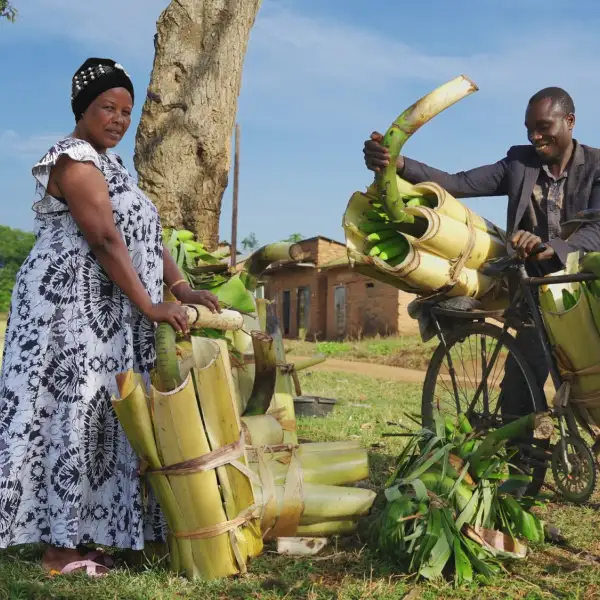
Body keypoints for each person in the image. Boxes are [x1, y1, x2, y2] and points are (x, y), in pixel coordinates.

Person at [0, 58, 220, 576]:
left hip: (107, 319)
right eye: (108, 108)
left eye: (127, 110)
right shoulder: (73, 159)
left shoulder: (114, 165)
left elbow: (146, 232)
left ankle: (87, 537)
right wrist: (150, 305)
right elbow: (103, 237)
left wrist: (182, 286)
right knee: (70, 416)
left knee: (105, 419)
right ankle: (59, 550)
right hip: (68, 317)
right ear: (83, 109)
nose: (119, 119)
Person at [363, 86, 600, 448]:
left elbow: (598, 228)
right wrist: (398, 164)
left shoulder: (597, 166)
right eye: (528, 128)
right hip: (535, 297)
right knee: (521, 391)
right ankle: (522, 472)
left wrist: (552, 248)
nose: (535, 136)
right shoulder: (520, 163)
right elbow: (458, 183)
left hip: (582, 293)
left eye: (543, 126)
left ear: (569, 121)